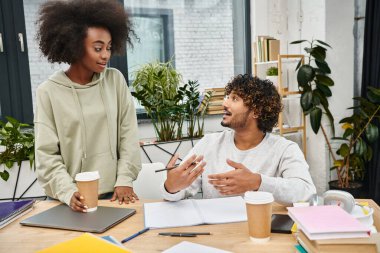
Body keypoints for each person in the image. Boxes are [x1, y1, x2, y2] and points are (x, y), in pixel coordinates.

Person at [34, 0, 141, 212]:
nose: (106, 55)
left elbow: (128, 135)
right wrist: (67, 192)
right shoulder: (48, 92)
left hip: (114, 195)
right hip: (70, 201)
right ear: (74, 44)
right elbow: (46, 155)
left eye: (109, 47)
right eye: (98, 48)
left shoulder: (115, 81)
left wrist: (124, 179)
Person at [162, 74, 316, 205]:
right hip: (217, 233)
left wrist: (257, 182)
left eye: (234, 99)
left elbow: (306, 193)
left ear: (256, 111)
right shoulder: (209, 143)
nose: (225, 103)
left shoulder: (285, 149)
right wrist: (171, 187)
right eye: (227, 97)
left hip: (262, 230)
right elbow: (179, 191)